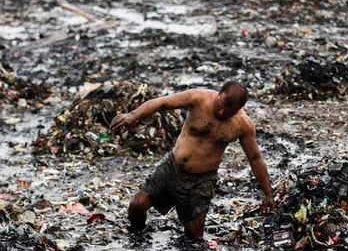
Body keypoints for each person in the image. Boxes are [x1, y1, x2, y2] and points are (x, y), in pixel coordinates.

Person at [110, 81, 273, 239]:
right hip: (172, 168)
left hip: (200, 182)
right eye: (220, 106)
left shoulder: (243, 125)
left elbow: (255, 159)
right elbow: (162, 103)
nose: (222, 113)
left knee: (194, 235)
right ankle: (137, 239)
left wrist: (268, 195)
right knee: (137, 205)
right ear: (218, 95)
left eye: (229, 112)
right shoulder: (198, 98)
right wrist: (132, 115)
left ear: (239, 109)